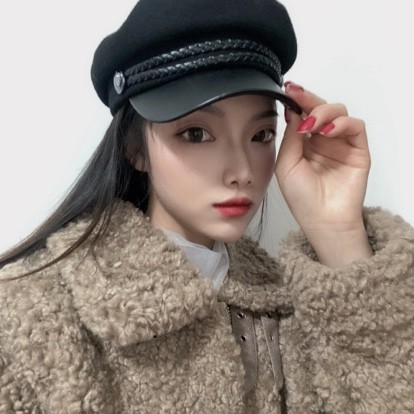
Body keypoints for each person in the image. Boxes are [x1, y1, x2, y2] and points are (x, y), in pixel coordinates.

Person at [0, 0, 413, 412]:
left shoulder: (293, 309)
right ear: (134, 148)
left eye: (261, 135)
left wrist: (337, 232)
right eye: (196, 133)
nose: (242, 171)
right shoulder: (30, 319)